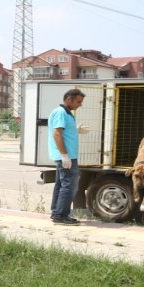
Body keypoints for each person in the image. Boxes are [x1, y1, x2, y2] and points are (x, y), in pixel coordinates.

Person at [48, 89, 86, 225]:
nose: (80, 105)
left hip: (67, 155)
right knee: (69, 186)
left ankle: (56, 212)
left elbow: (64, 132)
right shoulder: (60, 113)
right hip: (65, 156)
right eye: (78, 101)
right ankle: (61, 216)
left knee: (61, 185)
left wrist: (76, 130)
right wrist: (64, 155)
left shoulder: (67, 113)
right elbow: (57, 134)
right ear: (68, 99)